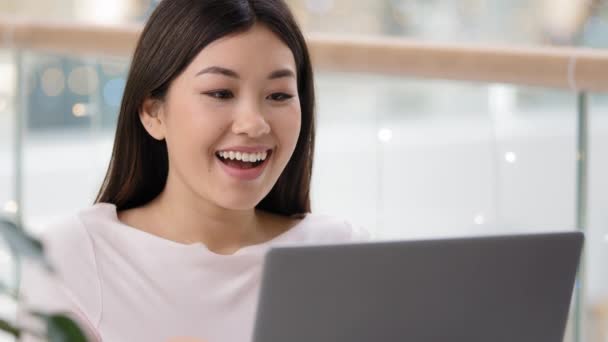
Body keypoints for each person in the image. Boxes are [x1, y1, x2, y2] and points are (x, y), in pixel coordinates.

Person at [18, 0, 369, 341]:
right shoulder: (74, 256)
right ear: (153, 113)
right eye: (220, 93)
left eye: (278, 95)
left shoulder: (340, 251)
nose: (254, 124)